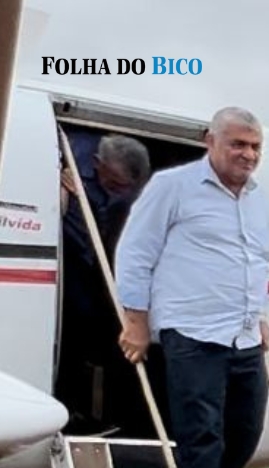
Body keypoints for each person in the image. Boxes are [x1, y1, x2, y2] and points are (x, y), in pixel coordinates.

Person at [114, 107, 269, 468]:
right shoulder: (173, 187)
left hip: (242, 333)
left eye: (255, 146)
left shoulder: (257, 197)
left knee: (245, 431)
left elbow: (255, 259)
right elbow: (135, 252)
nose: (248, 154)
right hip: (191, 331)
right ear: (211, 141)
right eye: (238, 144)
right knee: (201, 434)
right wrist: (136, 321)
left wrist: (260, 315)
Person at [57, 128, 151, 432]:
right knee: (70, 342)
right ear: (98, 164)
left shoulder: (128, 195)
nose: (121, 192)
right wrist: (60, 188)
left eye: (128, 187)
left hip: (102, 275)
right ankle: (69, 412)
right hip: (71, 269)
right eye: (115, 184)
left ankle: (106, 417)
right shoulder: (69, 157)